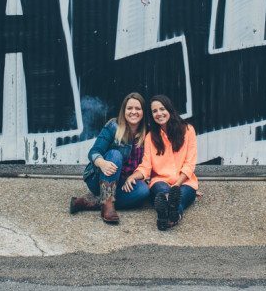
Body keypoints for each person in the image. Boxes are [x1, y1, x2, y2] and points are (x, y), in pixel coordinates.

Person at [69, 93, 150, 224]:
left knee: (143, 191)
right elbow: (94, 151)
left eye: (138, 108)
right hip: (99, 178)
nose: (133, 112)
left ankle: (89, 202)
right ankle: (106, 205)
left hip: (123, 182)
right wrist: (102, 163)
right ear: (124, 111)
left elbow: (151, 163)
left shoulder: (148, 133)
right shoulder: (113, 126)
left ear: (143, 112)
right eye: (129, 108)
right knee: (115, 155)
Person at [122, 94, 198, 230]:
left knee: (177, 197)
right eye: (154, 111)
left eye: (162, 109)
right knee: (163, 194)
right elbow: (146, 165)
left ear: (169, 109)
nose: (159, 114)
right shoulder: (150, 137)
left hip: (185, 182)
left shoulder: (188, 130)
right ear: (151, 115)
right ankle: (173, 217)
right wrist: (134, 176)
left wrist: (176, 185)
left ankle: (165, 219)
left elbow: (190, 163)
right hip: (160, 181)